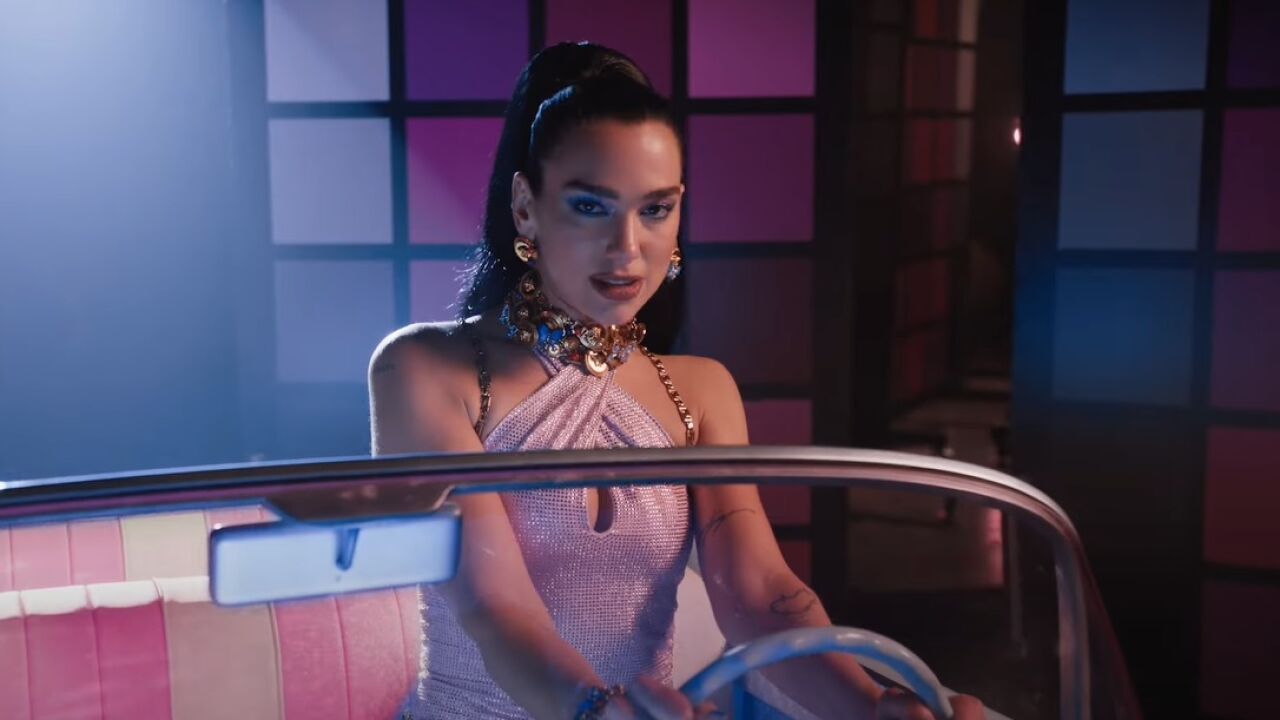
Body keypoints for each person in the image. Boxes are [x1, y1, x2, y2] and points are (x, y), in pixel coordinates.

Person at [369, 42, 982, 720]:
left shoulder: (702, 392)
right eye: (591, 207)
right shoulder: (423, 369)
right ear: (524, 207)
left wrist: (867, 706)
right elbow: (493, 605)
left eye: (655, 209)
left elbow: (755, 590)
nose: (628, 248)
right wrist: (595, 711)